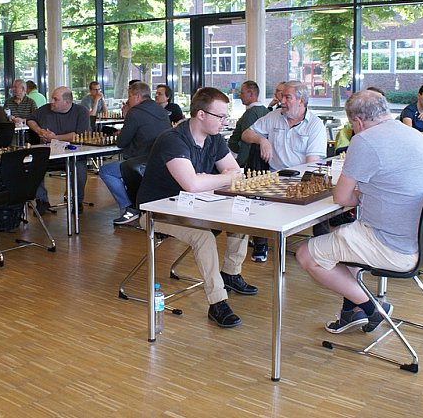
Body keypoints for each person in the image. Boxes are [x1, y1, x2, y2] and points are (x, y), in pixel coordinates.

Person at [295, 90, 423, 334]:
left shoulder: (365, 140)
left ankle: (372, 308)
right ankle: (351, 311)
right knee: (347, 237)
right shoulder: (412, 133)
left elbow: (342, 197)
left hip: (394, 247)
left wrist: (360, 194)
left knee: (306, 254)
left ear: (358, 121)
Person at [137, 87, 256, 329]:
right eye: (220, 116)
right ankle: (217, 302)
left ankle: (231, 273)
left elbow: (236, 173)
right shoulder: (172, 139)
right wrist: (216, 178)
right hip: (158, 212)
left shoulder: (214, 138)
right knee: (203, 237)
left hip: (195, 207)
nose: (225, 122)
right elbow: (192, 184)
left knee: (241, 216)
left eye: (225, 116)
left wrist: (207, 179)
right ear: (201, 114)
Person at [241, 80, 327, 262]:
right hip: (274, 176)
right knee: (258, 197)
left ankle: (323, 249)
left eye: (287, 97)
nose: (282, 101)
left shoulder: (315, 124)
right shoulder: (273, 116)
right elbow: (246, 134)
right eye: (282, 97)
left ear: (301, 101)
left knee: (322, 201)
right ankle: (261, 244)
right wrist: (262, 140)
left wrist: (300, 187)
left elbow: (312, 164)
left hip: (301, 178)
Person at [100, 81, 171, 225]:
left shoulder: (135, 112)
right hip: (164, 163)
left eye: (129, 97)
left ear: (137, 96)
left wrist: (127, 116)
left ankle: (130, 208)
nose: (128, 101)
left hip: (142, 164)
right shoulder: (161, 111)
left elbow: (121, 142)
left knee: (106, 171)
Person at [27, 86, 90, 212]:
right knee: (33, 166)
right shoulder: (45, 109)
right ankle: (42, 200)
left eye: (56, 99)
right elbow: (30, 119)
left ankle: (77, 200)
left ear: (67, 102)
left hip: (72, 153)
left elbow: (79, 134)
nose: (52, 102)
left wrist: (55, 138)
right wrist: (39, 131)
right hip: (49, 153)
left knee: (79, 168)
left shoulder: (81, 111)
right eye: (52, 98)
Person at [227, 80, 268, 169]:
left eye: (242, 93)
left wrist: (241, 162)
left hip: (246, 160)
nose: (240, 96)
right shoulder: (266, 111)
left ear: (250, 94)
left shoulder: (250, 114)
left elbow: (247, 141)